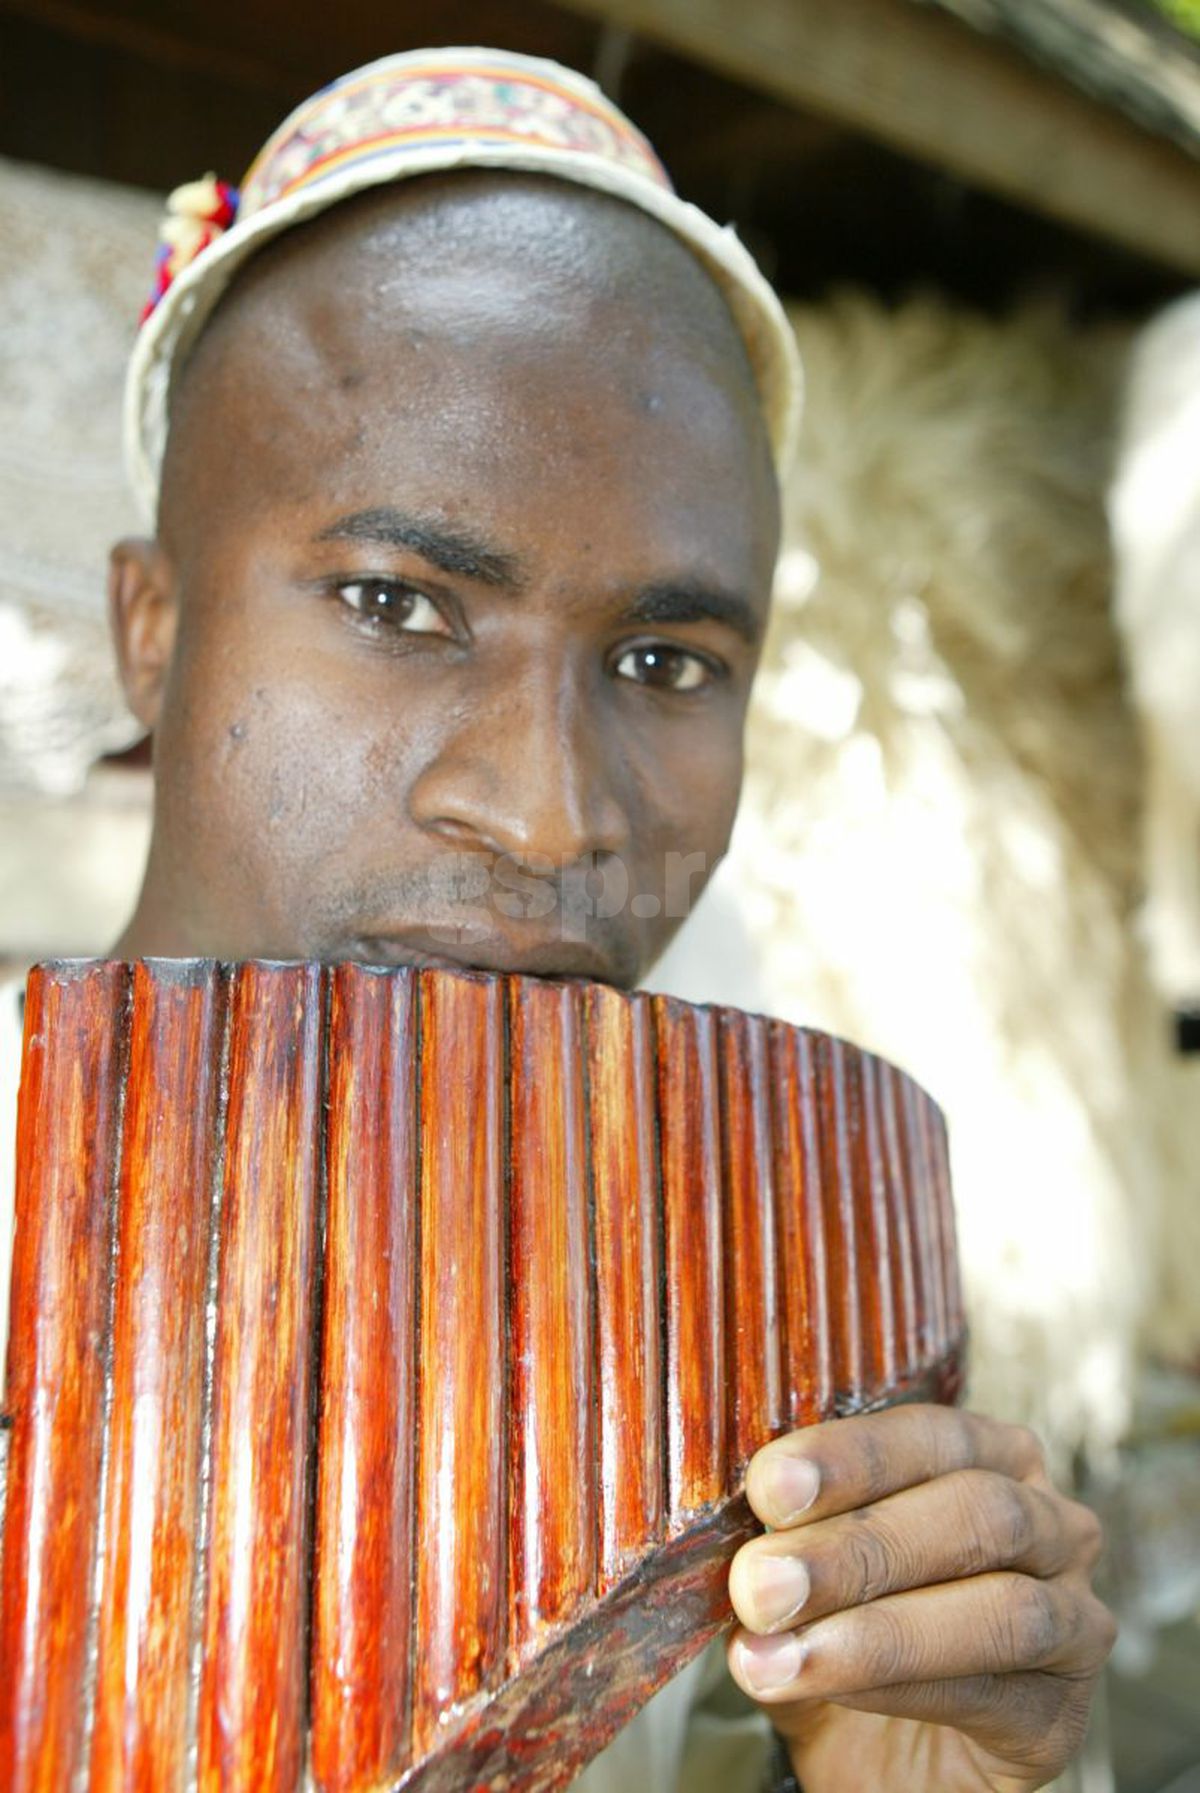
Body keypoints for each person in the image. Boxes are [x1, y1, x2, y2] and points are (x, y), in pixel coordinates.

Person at [1, 47, 1114, 1791]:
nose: (551, 813)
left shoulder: (757, 1366)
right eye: (398, 601)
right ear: (155, 632)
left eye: (665, 659)